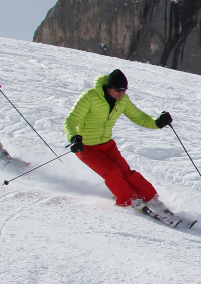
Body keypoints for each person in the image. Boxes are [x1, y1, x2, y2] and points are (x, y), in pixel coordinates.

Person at [64, 69, 173, 212]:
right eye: (118, 90)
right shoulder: (90, 96)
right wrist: (74, 138)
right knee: (112, 172)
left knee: (126, 172)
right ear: (108, 88)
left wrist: (157, 122)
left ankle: (150, 199)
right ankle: (128, 201)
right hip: (86, 147)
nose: (121, 93)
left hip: (107, 144)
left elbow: (139, 117)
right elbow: (70, 120)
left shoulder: (123, 101)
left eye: (124, 90)